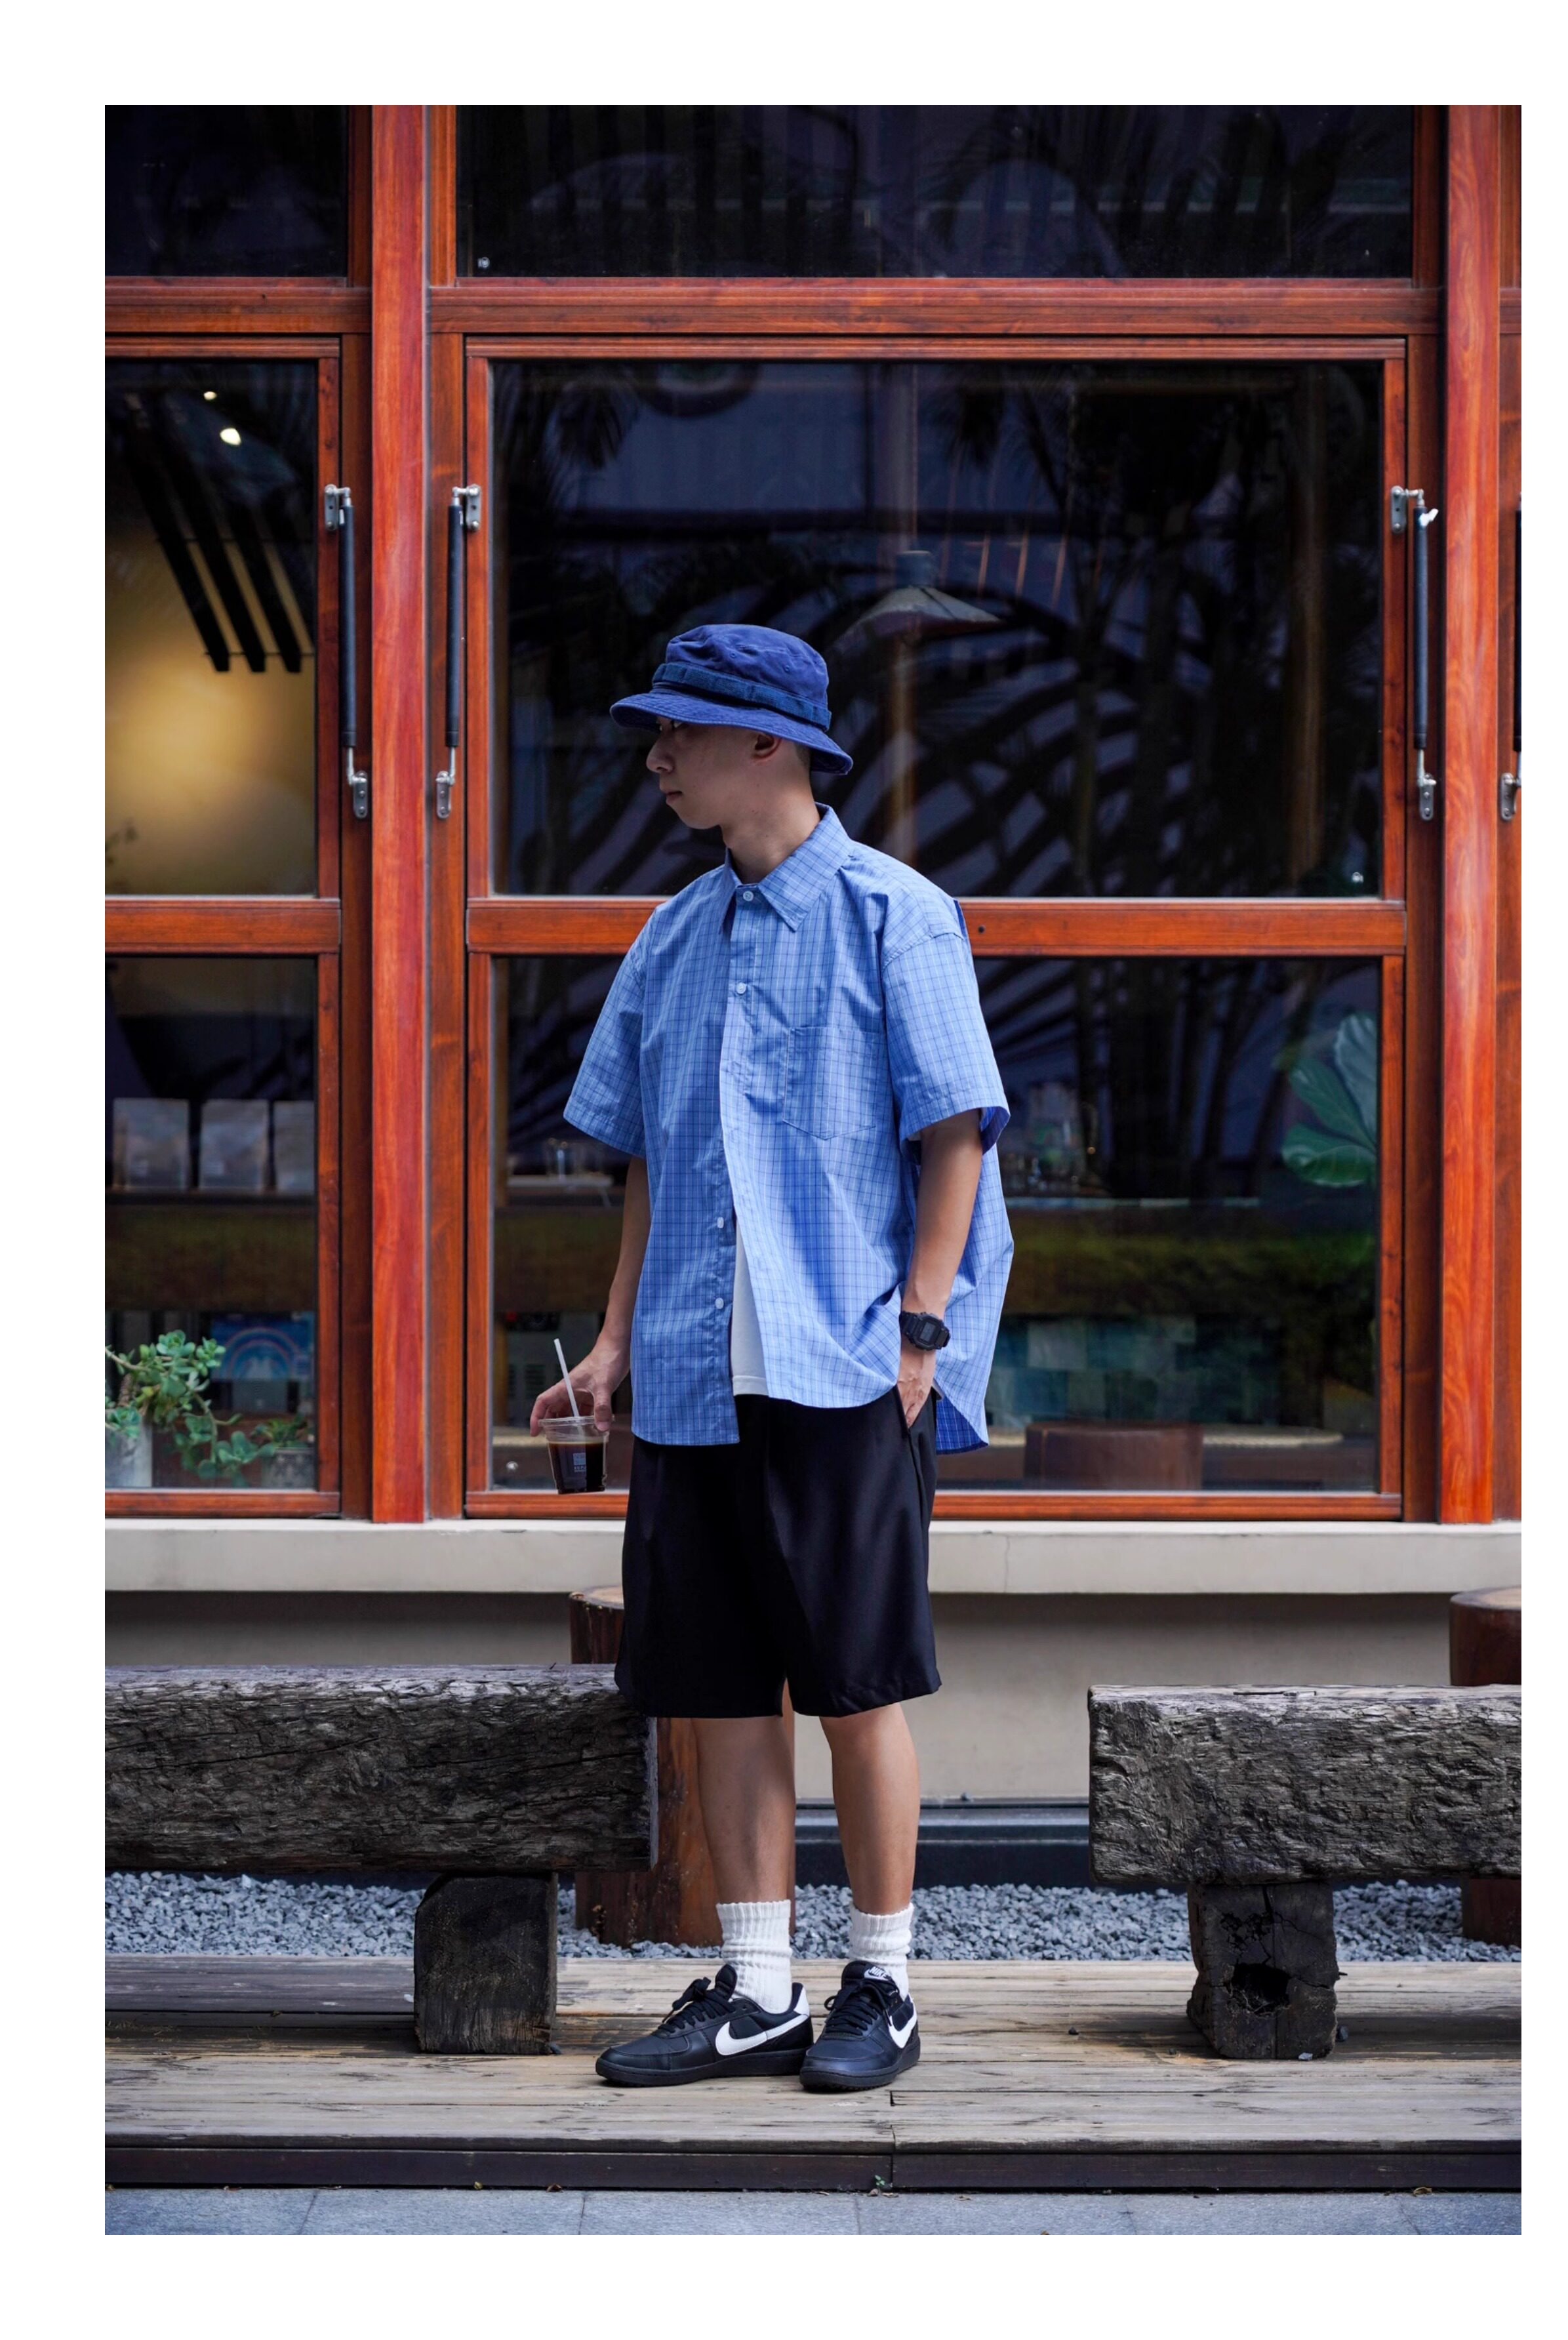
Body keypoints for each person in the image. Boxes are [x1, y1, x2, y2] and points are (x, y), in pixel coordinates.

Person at [532, 622, 1012, 2091]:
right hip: (693, 1370)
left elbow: (956, 1135)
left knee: (856, 1681)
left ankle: (884, 1980)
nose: (656, 757)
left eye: (681, 731)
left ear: (774, 746)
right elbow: (647, 1162)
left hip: (849, 1360)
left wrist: (921, 1325)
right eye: (656, 730)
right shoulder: (672, 935)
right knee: (721, 1684)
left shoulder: (897, 915)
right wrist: (615, 1338)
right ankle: (753, 1986)